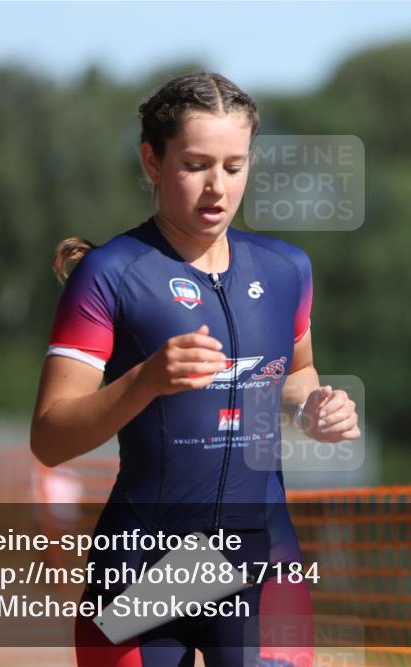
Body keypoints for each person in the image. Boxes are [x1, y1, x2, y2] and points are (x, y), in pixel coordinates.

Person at [30, 71, 360, 667]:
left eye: (234, 167)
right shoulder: (110, 274)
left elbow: (293, 373)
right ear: (152, 162)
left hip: (263, 561)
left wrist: (314, 407)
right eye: (196, 165)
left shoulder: (288, 270)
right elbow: (50, 438)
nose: (217, 188)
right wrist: (147, 378)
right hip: (145, 569)